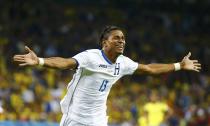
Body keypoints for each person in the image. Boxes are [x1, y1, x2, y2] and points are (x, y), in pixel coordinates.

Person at [13, 26, 201, 126]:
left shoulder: (124, 63)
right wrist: (40, 61)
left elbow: (150, 69)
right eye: (116, 38)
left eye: (123, 38)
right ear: (104, 42)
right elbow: (65, 63)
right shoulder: (90, 57)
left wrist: (179, 65)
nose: (121, 41)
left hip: (98, 120)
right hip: (75, 118)